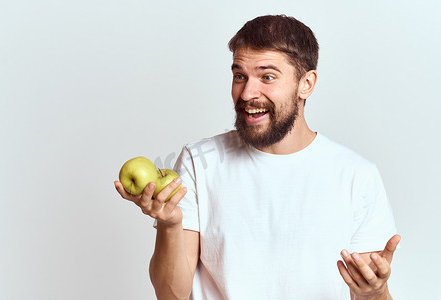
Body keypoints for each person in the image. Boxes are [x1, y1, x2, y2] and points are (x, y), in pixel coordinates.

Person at [115, 15, 401, 300]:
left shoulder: (356, 176)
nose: (247, 93)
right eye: (239, 76)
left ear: (307, 84)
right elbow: (170, 295)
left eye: (267, 77)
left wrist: (375, 293)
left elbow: (367, 292)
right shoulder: (198, 162)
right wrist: (170, 224)